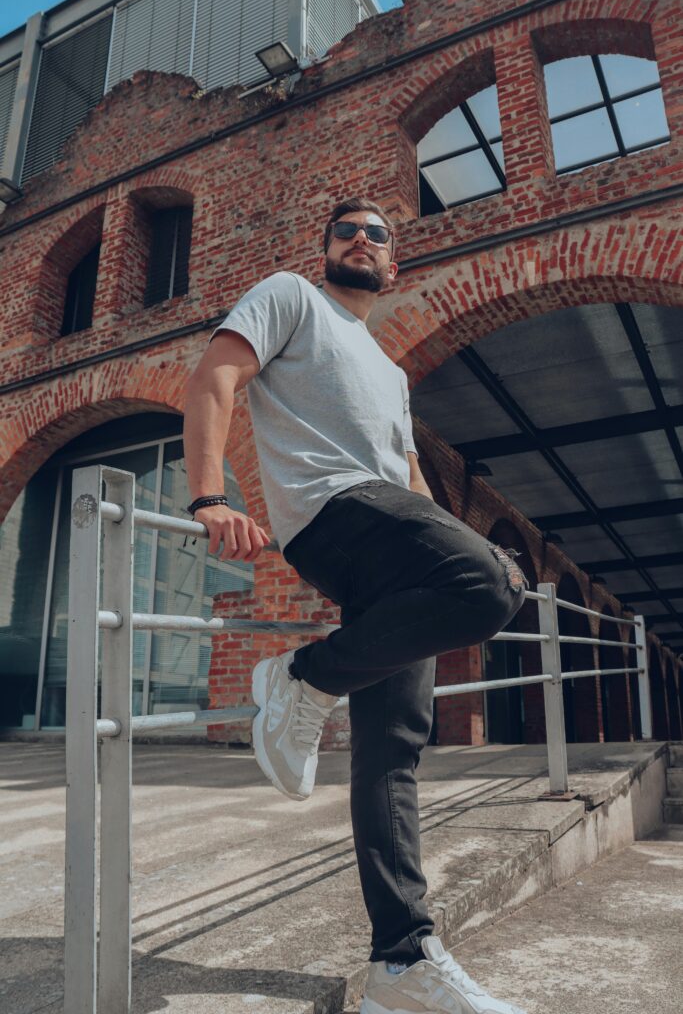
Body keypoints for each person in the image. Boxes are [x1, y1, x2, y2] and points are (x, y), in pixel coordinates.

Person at [183, 198, 528, 1014]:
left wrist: (442, 536)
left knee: (392, 754)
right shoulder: (289, 297)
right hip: (333, 518)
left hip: (390, 534)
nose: (361, 240)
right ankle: (304, 677)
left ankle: (399, 965)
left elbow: (406, 474)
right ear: (326, 247)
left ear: (392, 264)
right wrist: (207, 497)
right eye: (346, 230)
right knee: (492, 584)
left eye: (377, 234)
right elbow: (214, 376)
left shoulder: (390, 370)